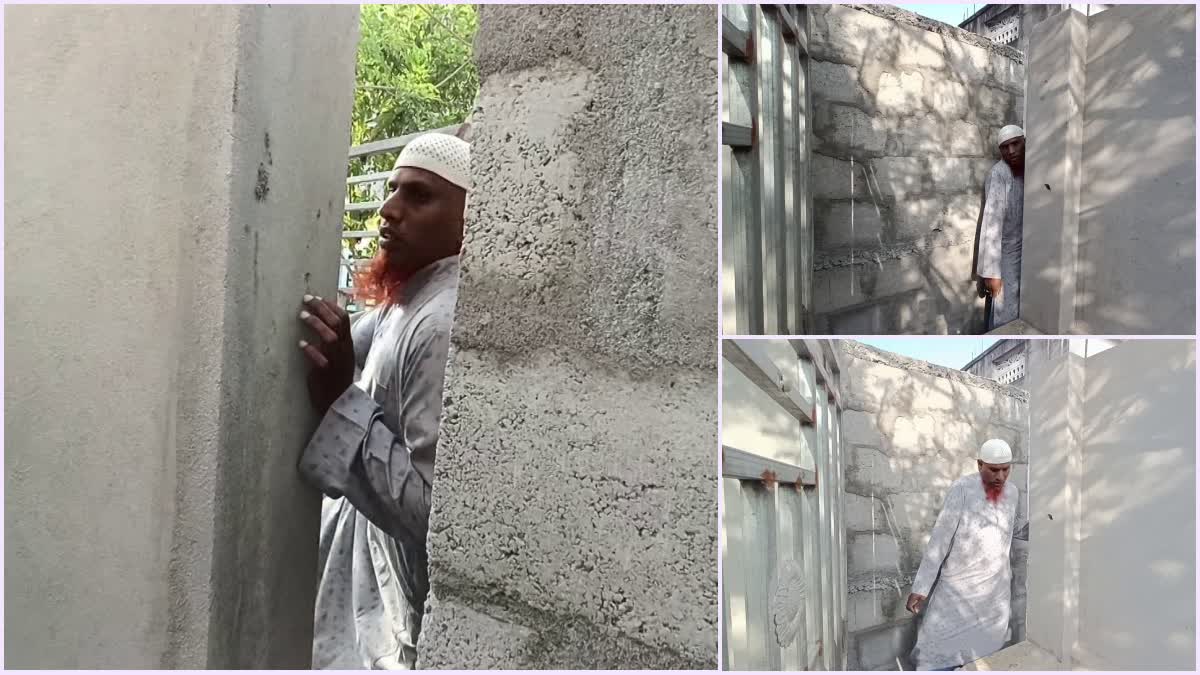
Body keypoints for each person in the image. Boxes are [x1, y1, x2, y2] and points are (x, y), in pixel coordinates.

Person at [295, 131, 470, 669]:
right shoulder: (409, 299)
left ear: (470, 217)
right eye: (391, 190)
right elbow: (357, 344)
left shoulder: (442, 323)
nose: (388, 210)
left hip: (389, 621)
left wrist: (341, 403)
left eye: (419, 197)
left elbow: (430, 510)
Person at [905, 439, 1028, 671]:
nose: (1000, 476)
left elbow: (1012, 531)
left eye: (1006, 469)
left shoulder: (1012, 493)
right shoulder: (962, 488)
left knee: (986, 652)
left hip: (994, 592)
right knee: (935, 652)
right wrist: (921, 588)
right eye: (993, 469)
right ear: (980, 464)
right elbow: (940, 539)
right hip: (959, 588)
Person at [975, 125, 1026, 331]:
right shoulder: (998, 174)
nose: (1011, 151)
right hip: (1004, 256)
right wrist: (991, 274)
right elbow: (991, 225)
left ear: (1024, 143)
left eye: (1015, 144)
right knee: (1005, 311)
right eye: (1005, 147)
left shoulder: (1029, 169)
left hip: (1024, 250)